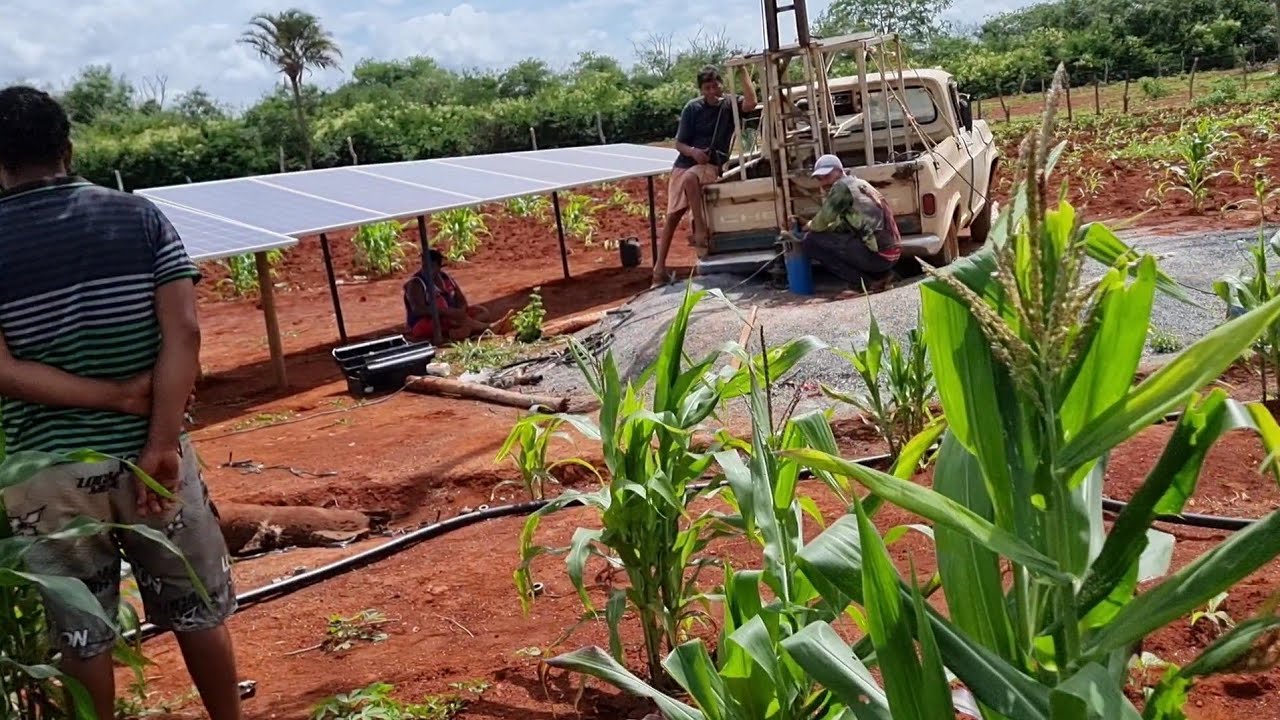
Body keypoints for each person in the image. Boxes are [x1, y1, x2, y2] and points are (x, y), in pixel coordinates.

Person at [0, 86, 242, 720]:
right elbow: (184, 331)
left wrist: (110, 397)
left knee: (82, 636)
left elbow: (3, 370)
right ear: (67, 148)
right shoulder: (137, 217)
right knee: (197, 611)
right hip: (152, 457)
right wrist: (160, 440)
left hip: (46, 474)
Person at [652, 65, 759, 288]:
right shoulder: (692, 109)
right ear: (701, 90)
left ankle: (700, 232)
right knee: (672, 215)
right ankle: (658, 270)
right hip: (686, 164)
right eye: (707, 87)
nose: (713, 91)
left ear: (722, 84)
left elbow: (751, 103)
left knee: (692, 182)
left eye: (716, 85)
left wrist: (742, 72)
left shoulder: (729, 104)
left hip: (709, 166)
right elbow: (679, 144)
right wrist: (693, 152)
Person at [799, 154, 901, 292]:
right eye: (819, 179)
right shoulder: (860, 184)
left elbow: (820, 223)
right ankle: (883, 276)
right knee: (838, 239)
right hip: (891, 253)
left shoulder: (841, 188)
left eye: (827, 176)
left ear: (839, 171)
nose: (824, 182)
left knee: (810, 242)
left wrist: (807, 225)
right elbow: (841, 224)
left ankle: (864, 284)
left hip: (879, 255)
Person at [404, 249, 511, 341]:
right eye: (425, 265)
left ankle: (461, 330)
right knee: (460, 319)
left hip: (452, 316)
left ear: (438, 266)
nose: (427, 269)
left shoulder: (446, 278)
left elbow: (461, 299)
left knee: (483, 312)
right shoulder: (416, 283)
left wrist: (461, 311)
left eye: (431, 265)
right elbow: (418, 310)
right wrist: (445, 312)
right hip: (426, 322)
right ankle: (489, 328)